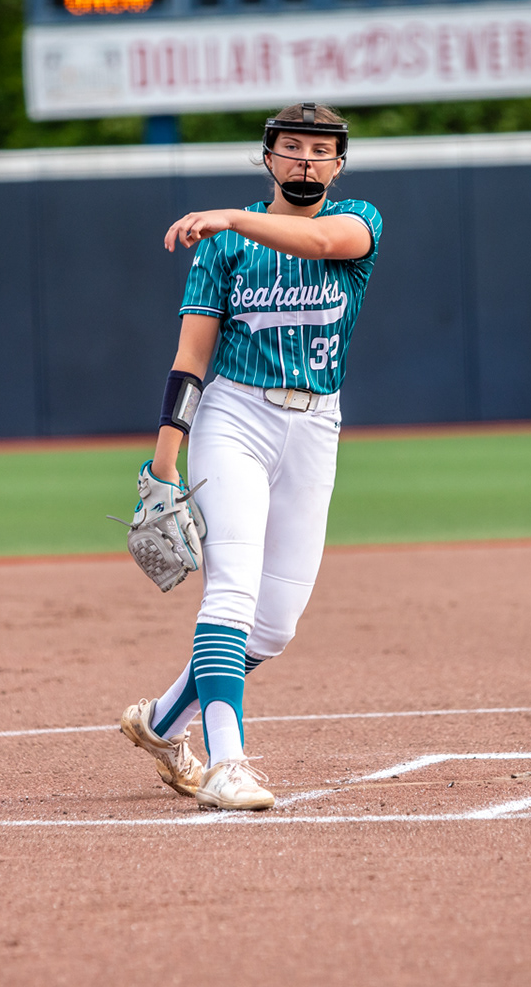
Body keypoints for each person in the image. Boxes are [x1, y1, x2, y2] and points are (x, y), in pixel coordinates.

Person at [118, 102, 384, 811]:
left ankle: (160, 722)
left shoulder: (359, 220)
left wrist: (232, 217)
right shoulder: (222, 248)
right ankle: (226, 764)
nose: (306, 160)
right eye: (291, 146)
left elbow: (322, 241)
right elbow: (191, 359)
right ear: (267, 157)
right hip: (236, 417)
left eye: (321, 150)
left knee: (273, 625)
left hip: (317, 424)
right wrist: (163, 466)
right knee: (231, 589)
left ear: (339, 165)